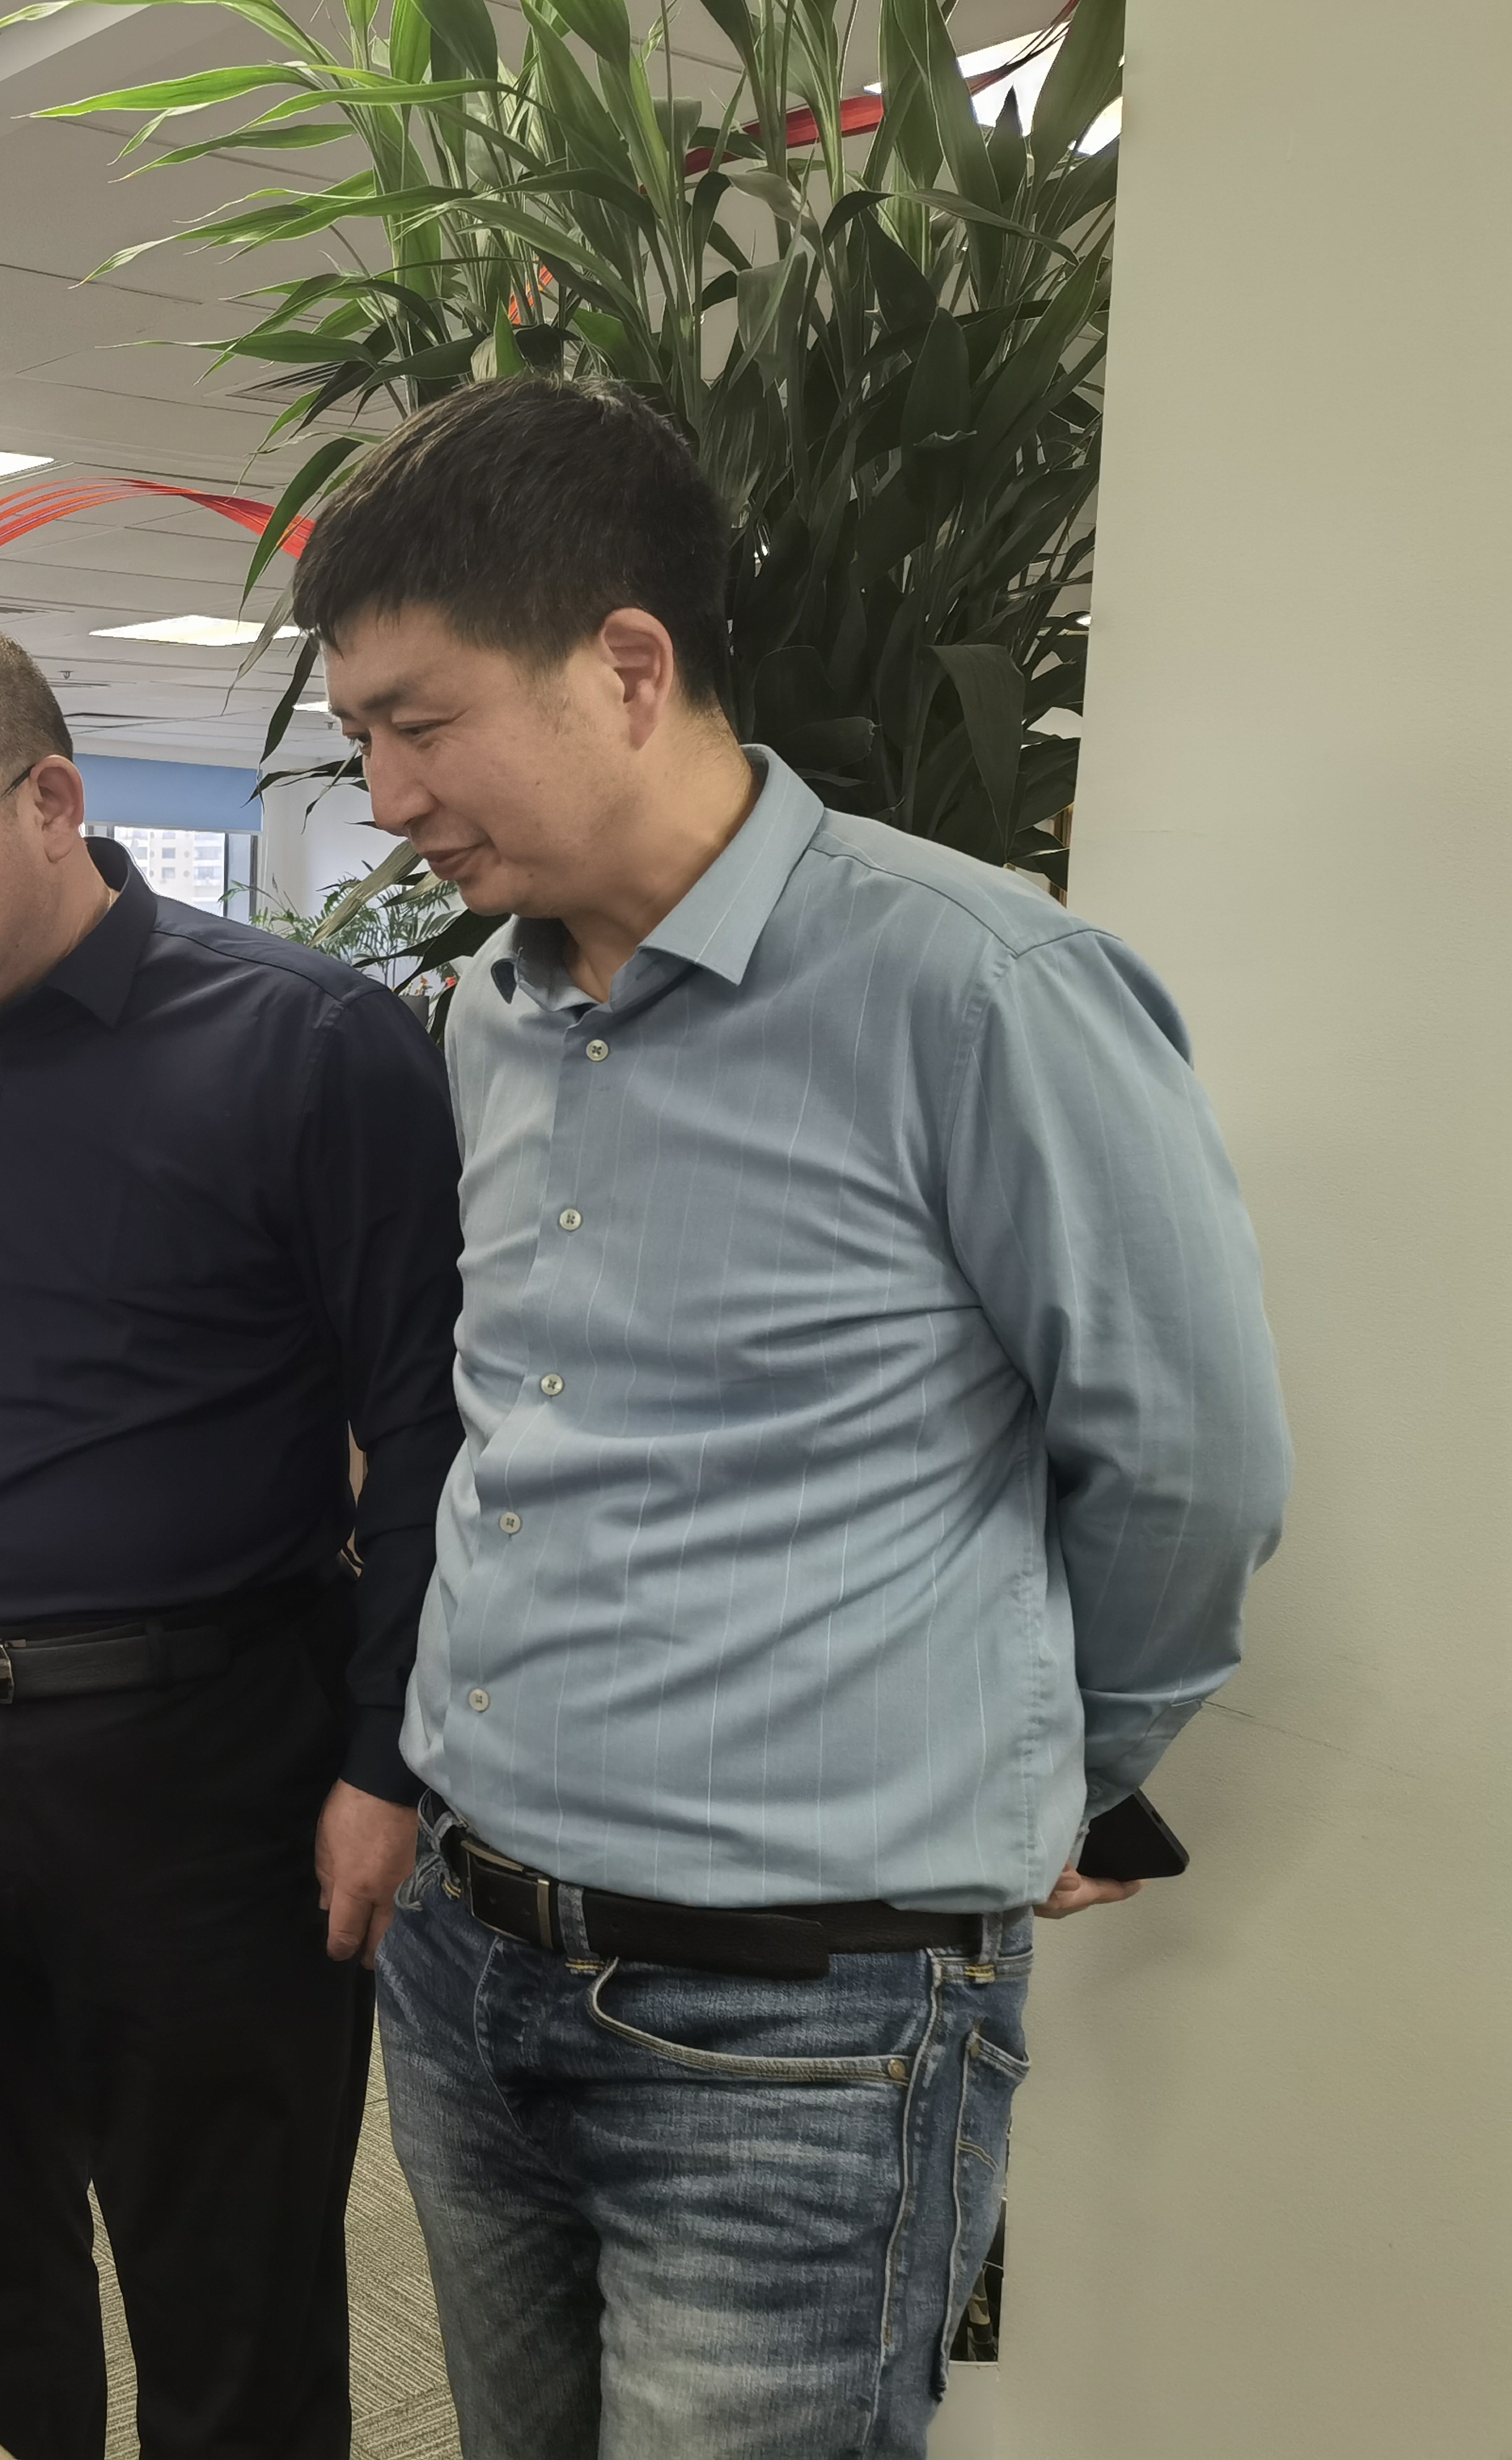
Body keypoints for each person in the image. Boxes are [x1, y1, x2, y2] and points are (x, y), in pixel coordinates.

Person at [296, 379, 1294, 2458]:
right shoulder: (490, 1016)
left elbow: (1181, 1464)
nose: (383, 795)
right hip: (474, 1959)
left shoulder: (976, 988)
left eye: (417, 722)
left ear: (624, 667)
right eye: (359, 737)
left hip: (794, 2024)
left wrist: (1064, 1772)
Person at [0, 610, 464, 2459]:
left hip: (203, 1762)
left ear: (51, 801)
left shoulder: (308, 1049)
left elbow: (428, 1436)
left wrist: (388, 1760)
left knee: (230, 2287)